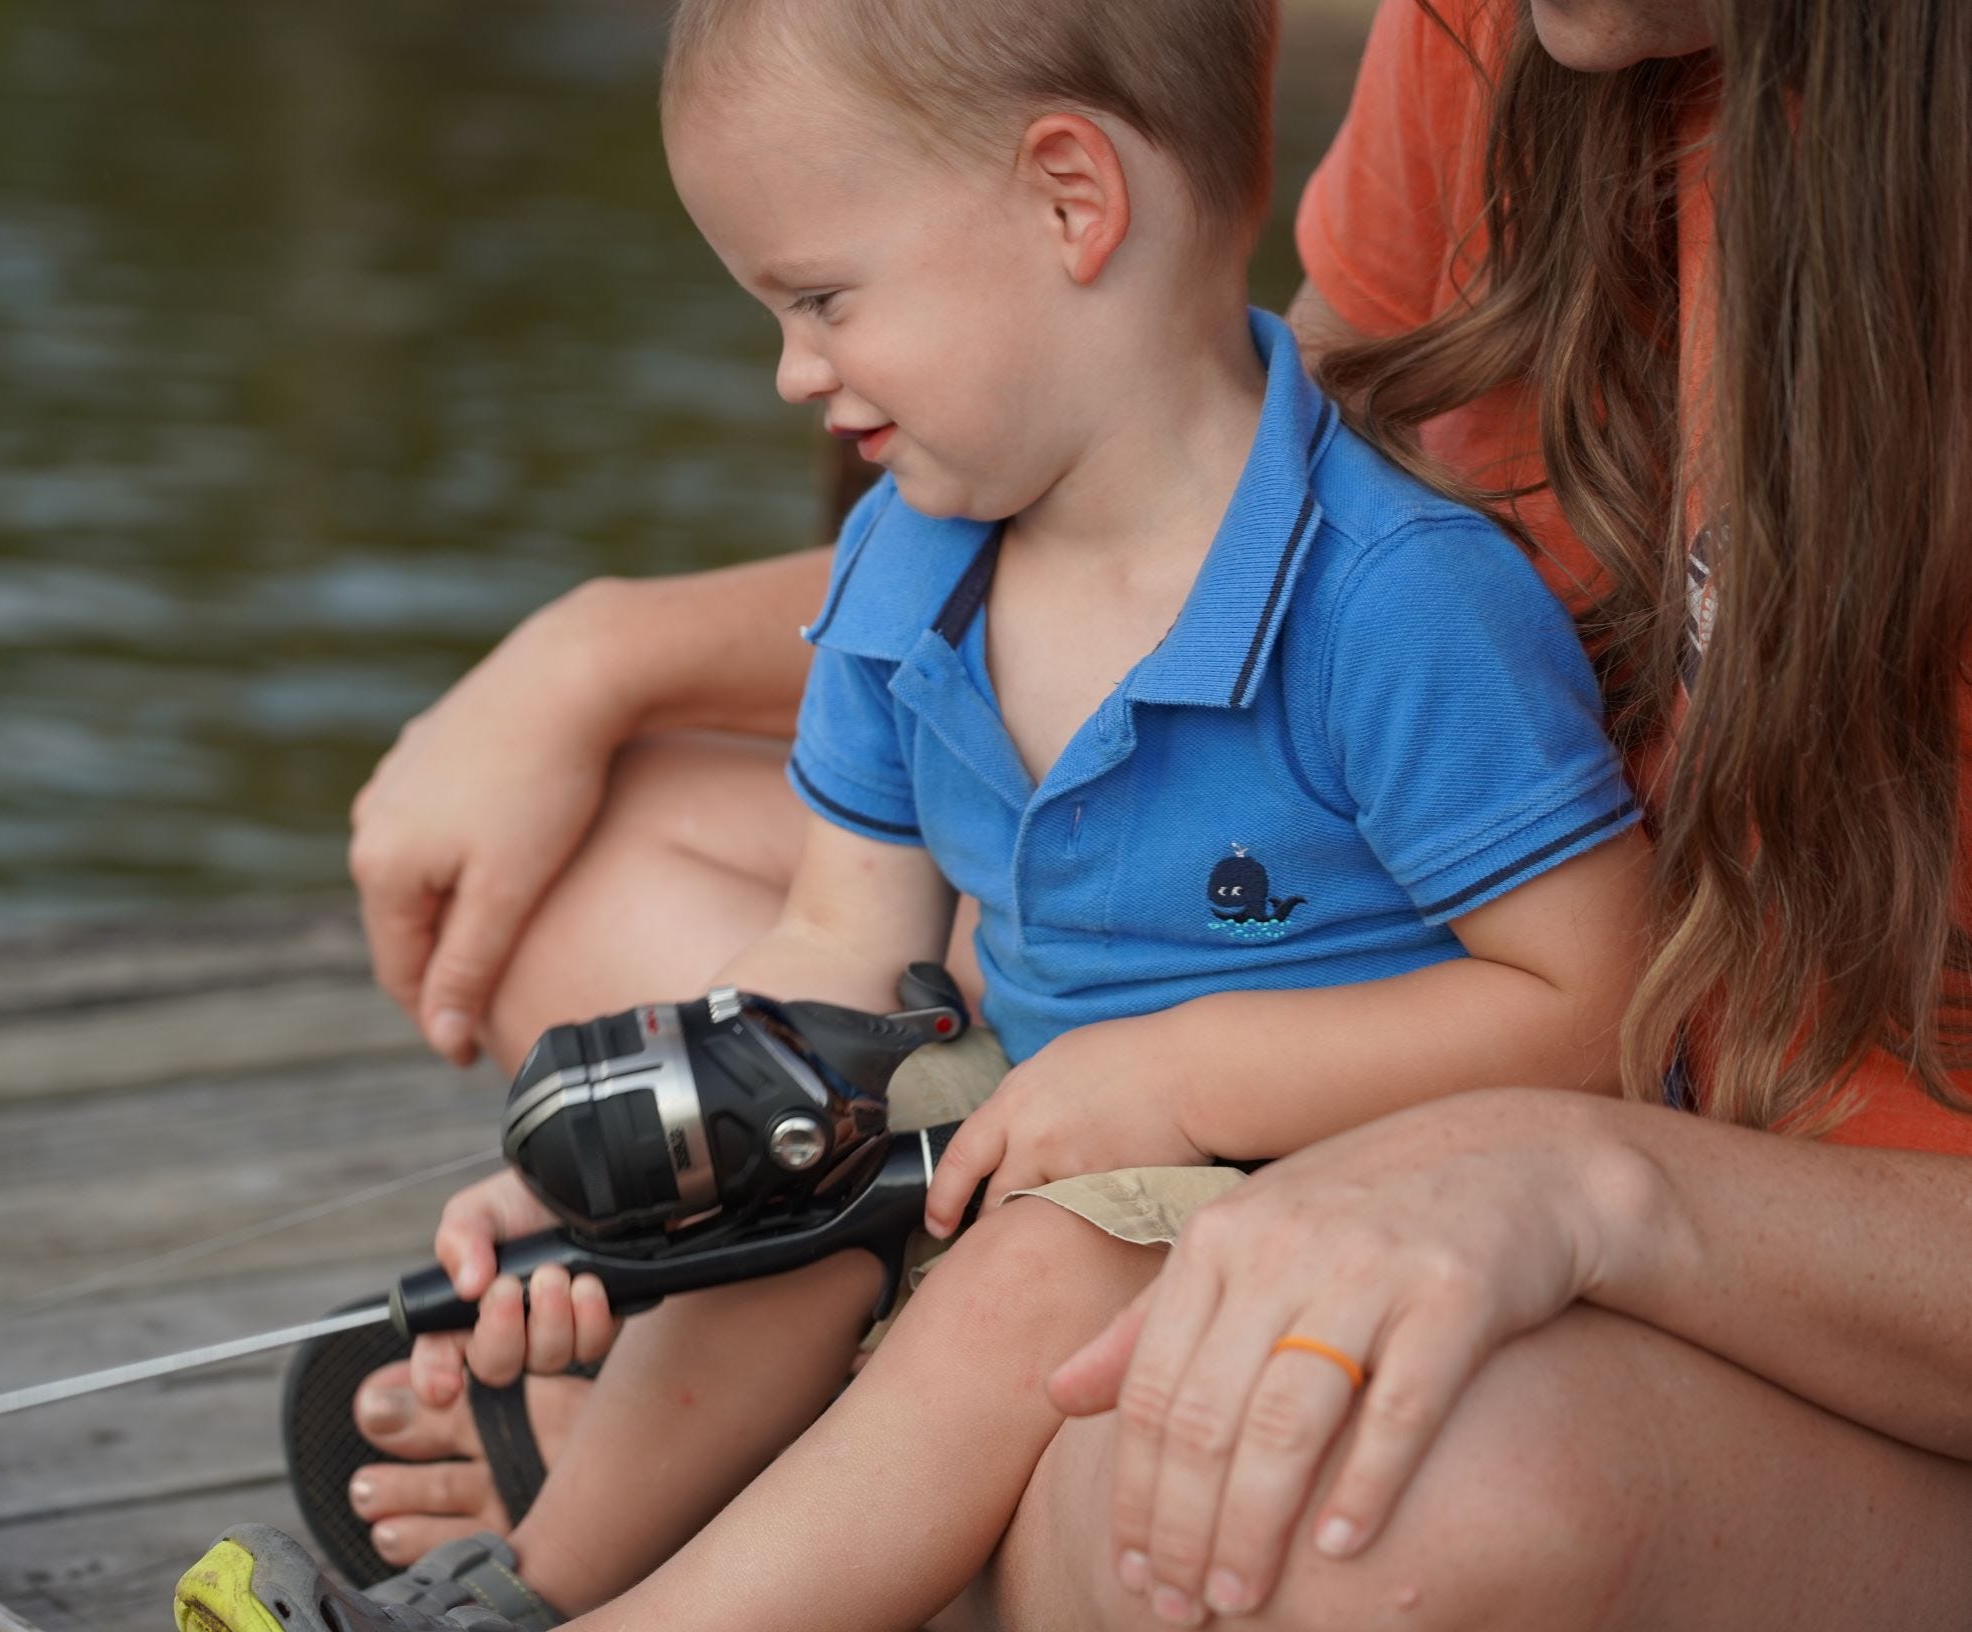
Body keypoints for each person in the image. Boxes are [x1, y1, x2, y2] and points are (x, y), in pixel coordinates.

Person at [308, 0, 1972, 1628]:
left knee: (1105, 1344)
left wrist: (1192, 1085)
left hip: (1426, 1155)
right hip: (1068, 1103)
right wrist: (663, 1164)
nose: (787, 372)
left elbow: (1591, 1004)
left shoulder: (1399, 597)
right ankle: (550, 1577)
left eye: (818, 300)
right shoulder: (929, 531)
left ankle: (786, 1542)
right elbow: (836, 939)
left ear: (1068, 198)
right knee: (749, 1165)